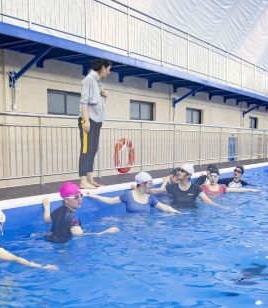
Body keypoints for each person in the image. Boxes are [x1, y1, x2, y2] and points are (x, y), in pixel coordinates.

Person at [42, 182, 118, 243]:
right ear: (66, 200)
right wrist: (105, 232)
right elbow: (80, 235)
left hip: (50, 240)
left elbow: (46, 220)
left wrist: (47, 207)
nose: (80, 199)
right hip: (64, 247)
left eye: (80, 195)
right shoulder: (72, 218)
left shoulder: (57, 211)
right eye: (75, 197)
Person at [78, 59, 112, 189]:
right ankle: (83, 181)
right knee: (86, 149)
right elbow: (84, 102)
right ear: (103, 68)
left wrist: (105, 95)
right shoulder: (89, 79)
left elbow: (98, 102)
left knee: (93, 149)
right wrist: (86, 121)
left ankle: (90, 179)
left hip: (97, 120)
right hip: (89, 119)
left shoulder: (98, 82)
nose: (109, 72)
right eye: (108, 69)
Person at [86, 172, 180, 213]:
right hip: (130, 229)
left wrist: (177, 212)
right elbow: (111, 201)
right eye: (149, 183)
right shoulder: (128, 195)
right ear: (142, 184)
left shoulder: (149, 198)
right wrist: (95, 196)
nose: (151, 186)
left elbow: (164, 207)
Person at [152, 164, 217, 207]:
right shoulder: (172, 187)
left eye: (182, 171)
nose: (178, 172)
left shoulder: (196, 188)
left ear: (189, 175)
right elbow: (158, 191)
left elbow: (207, 201)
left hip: (192, 218)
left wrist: (221, 208)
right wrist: (147, 190)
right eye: (179, 170)